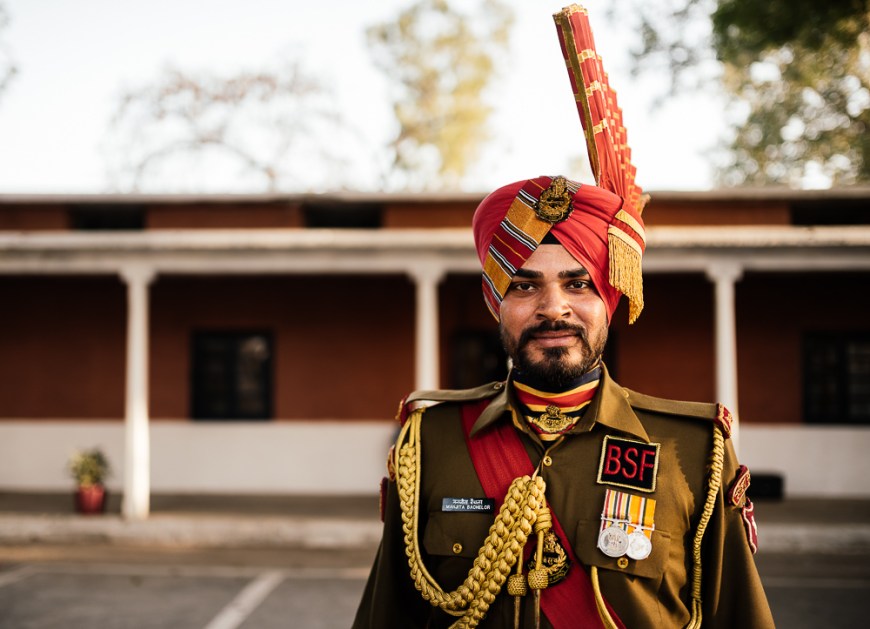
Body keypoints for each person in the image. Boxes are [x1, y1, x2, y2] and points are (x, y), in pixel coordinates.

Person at [354, 5, 775, 629]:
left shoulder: (692, 449)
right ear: (496, 303)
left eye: (578, 284)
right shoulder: (432, 441)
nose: (553, 307)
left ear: (610, 297)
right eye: (524, 286)